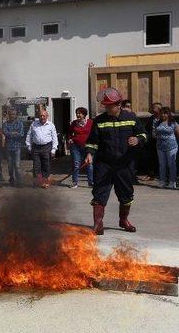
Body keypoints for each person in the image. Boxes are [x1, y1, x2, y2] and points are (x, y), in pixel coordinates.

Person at [84, 87, 146, 235]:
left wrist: (137, 139)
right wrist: (89, 154)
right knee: (99, 194)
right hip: (104, 164)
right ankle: (98, 224)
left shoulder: (131, 118)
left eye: (109, 106)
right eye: (105, 106)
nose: (106, 108)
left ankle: (123, 220)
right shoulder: (99, 121)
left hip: (124, 164)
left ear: (118, 104)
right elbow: (92, 141)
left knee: (126, 195)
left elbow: (144, 134)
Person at [25, 110, 58, 188]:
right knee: (36, 166)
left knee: (46, 165)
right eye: (40, 116)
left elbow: (54, 138)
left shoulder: (51, 125)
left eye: (44, 116)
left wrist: (54, 149)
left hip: (47, 147)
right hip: (36, 147)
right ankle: (38, 182)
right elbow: (29, 135)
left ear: (47, 116)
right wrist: (29, 146)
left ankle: (45, 182)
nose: (42, 117)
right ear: (38, 116)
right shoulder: (34, 124)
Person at [67, 107, 94, 189]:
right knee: (76, 164)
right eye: (77, 113)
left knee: (89, 164)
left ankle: (91, 182)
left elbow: (94, 134)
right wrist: (70, 139)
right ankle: (74, 182)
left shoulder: (90, 122)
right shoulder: (74, 123)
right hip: (76, 147)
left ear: (84, 114)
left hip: (88, 147)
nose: (78, 115)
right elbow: (69, 133)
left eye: (80, 113)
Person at [155, 107, 178, 189]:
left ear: (168, 114)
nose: (163, 115)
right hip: (160, 146)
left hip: (171, 146)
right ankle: (162, 181)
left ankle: (172, 181)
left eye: (165, 113)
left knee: (171, 164)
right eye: (162, 113)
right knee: (162, 165)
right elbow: (155, 133)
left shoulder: (173, 123)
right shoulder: (157, 123)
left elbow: (178, 133)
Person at [2, 109, 24, 187]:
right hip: (8, 148)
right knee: (10, 166)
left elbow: (21, 134)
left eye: (14, 114)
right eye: (11, 114)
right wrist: (14, 133)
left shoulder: (20, 124)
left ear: (16, 115)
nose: (12, 116)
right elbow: (5, 132)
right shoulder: (5, 124)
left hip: (17, 147)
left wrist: (10, 133)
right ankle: (12, 179)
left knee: (17, 166)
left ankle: (19, 182)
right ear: (9, 115)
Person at [144, 102, 162, 181]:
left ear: (158, 109)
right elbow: (147, 128)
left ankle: (162, 174)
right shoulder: (151, 118)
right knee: (151, 158)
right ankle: (151, 174)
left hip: (162, 142)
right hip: (152, 141)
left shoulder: (163, 118)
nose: (152, 109)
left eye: (153, 107)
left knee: (161, 158)